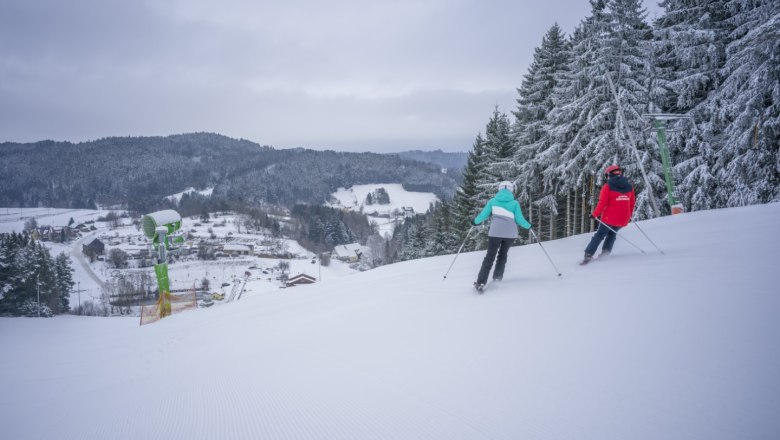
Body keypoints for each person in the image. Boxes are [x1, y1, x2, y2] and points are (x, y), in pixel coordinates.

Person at [472, 181, 532, 290]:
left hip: (495, 233)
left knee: (490, 256)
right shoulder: (514, 203)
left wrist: (475, 222)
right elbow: (519, 219)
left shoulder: (493, 201)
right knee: (502, 255)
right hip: (510, 234)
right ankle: (497, 277)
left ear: (499, 189)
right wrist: (529, 226)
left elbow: (483, 215)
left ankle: (481, 282)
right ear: (511, 190)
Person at [582, 165, 636, 264]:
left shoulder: (607, 187)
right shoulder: (629, 187)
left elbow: (602, 203)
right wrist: (629, 215)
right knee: (612, 233)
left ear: (609, 175)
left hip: (609, 218)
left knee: (600, 235)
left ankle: (588, 254)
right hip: (623, 218)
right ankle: (605, 253)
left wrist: (594, 214)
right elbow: (632, 203)